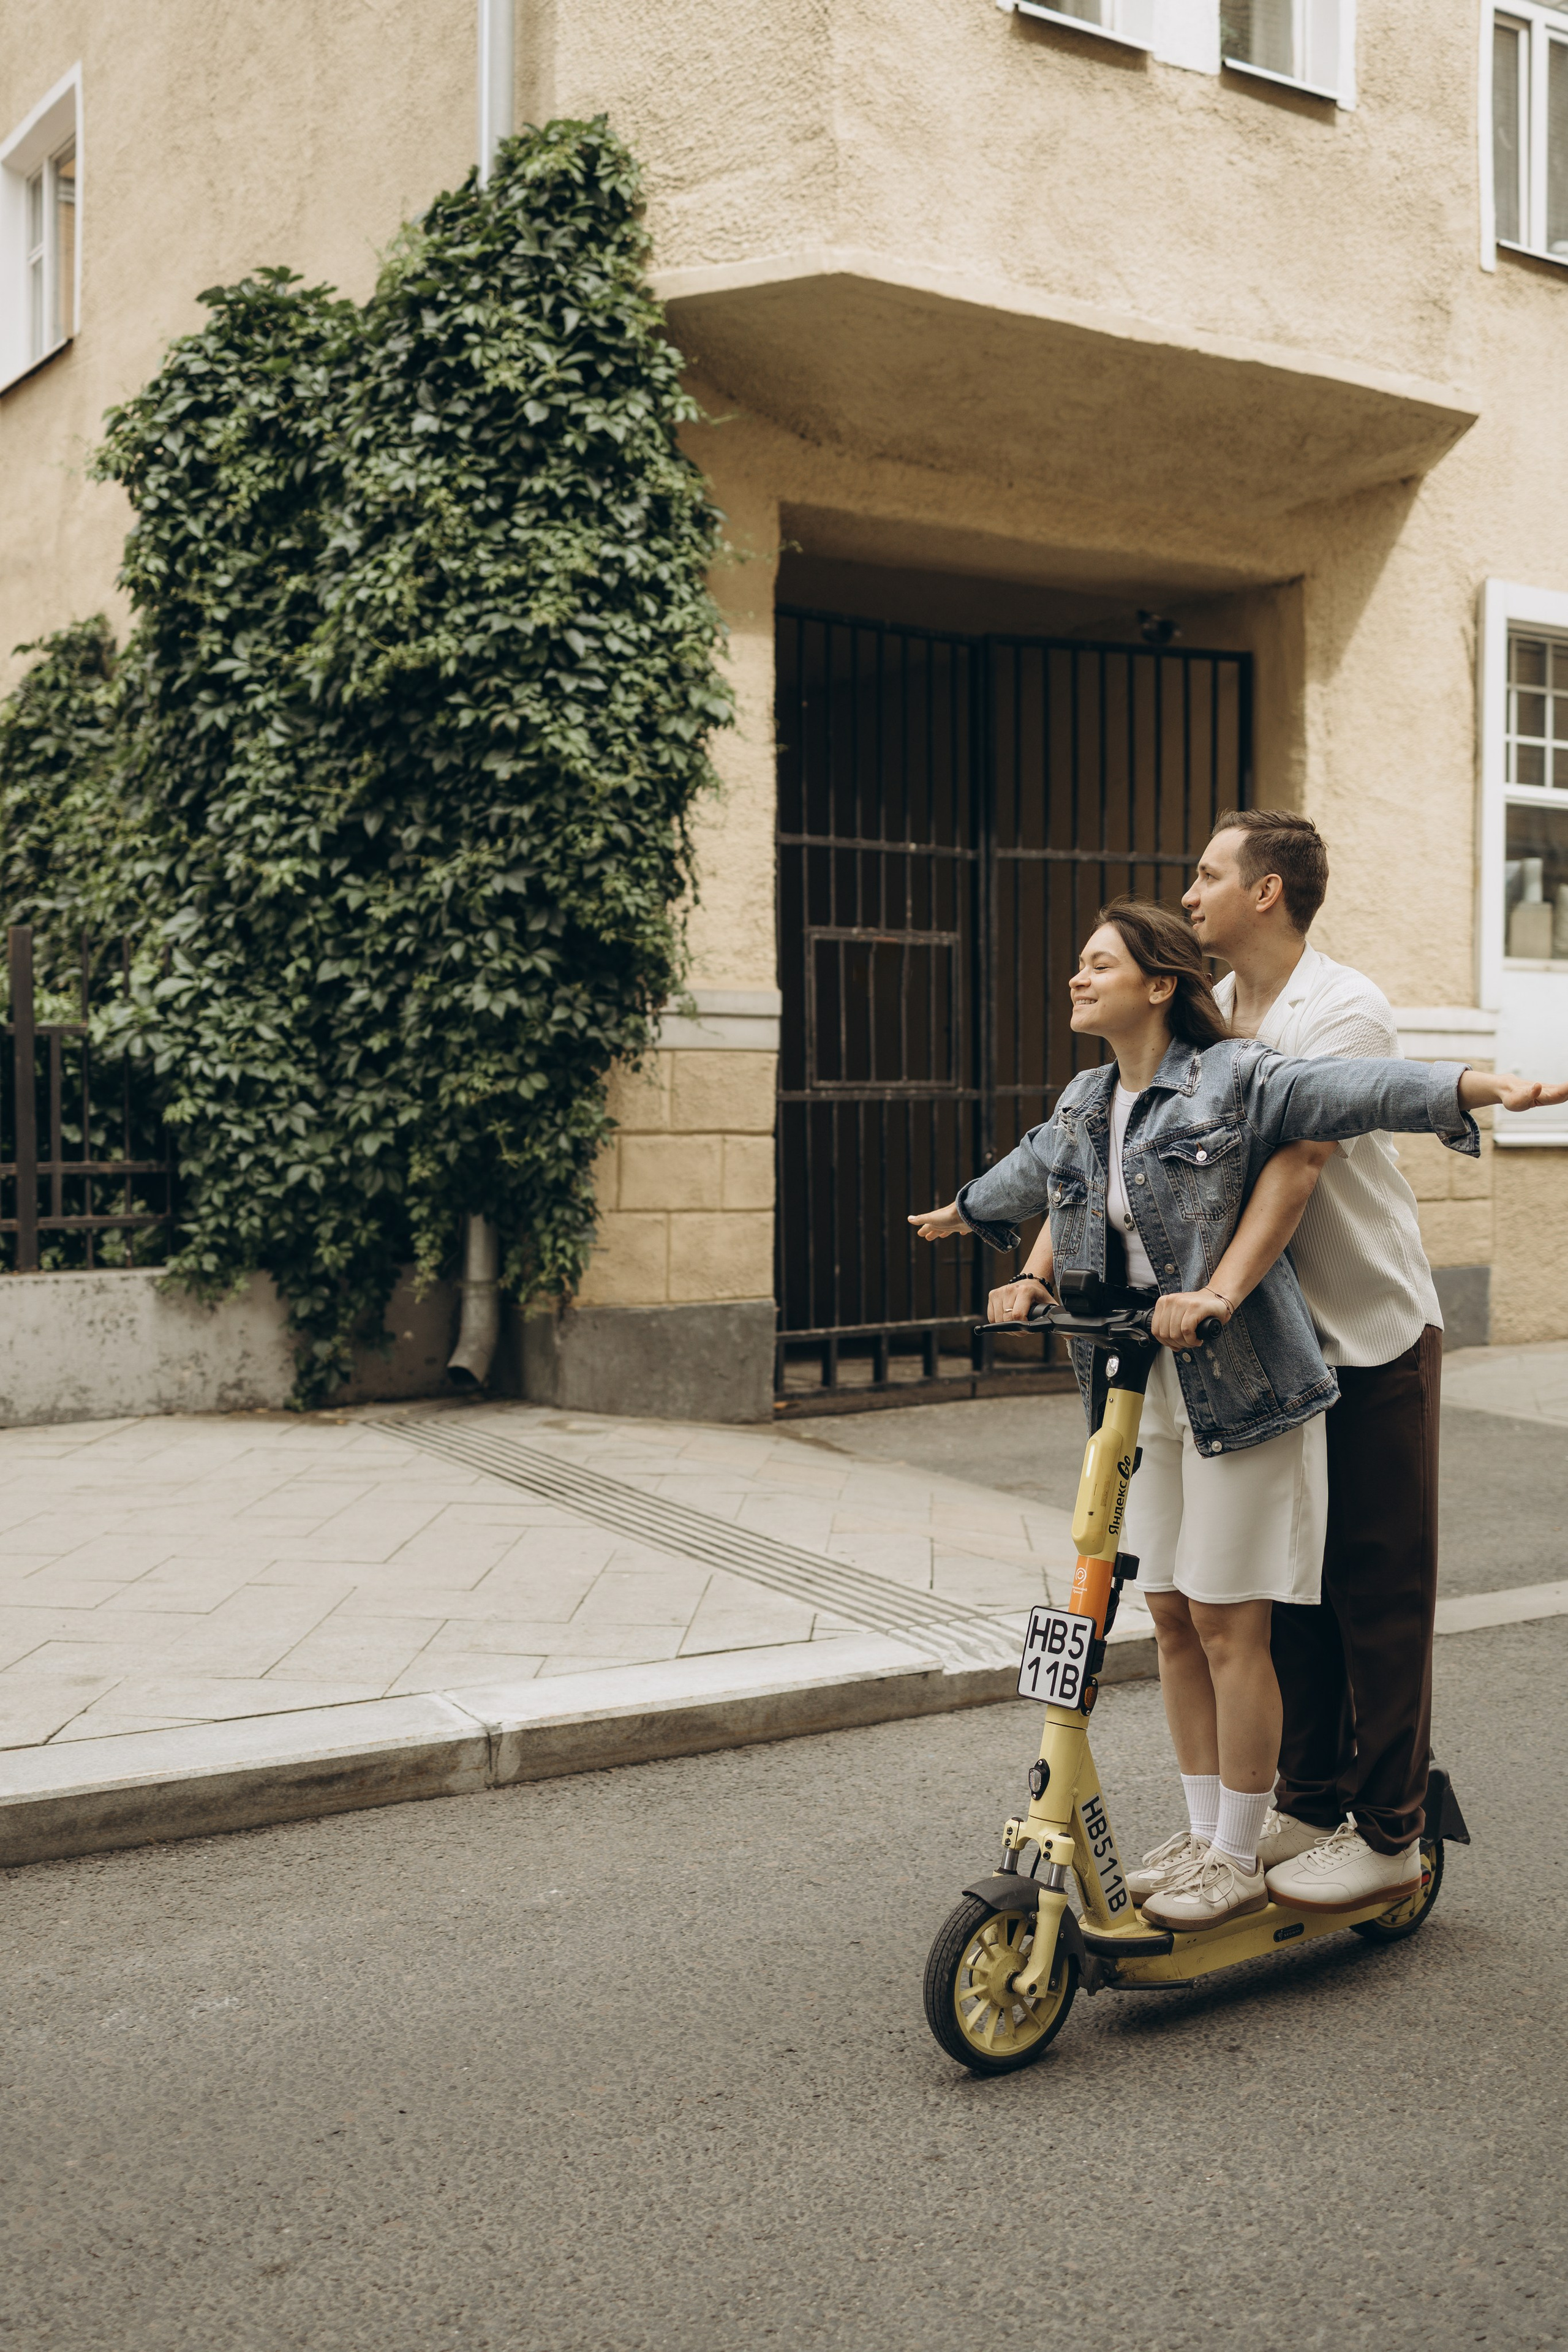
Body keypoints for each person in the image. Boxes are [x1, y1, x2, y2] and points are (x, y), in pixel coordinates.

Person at [908, 899, 1565, 1932]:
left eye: (1098, 964)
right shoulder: (1087, 1099)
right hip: (1143, 1387)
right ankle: (1207, 1830)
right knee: (1171, 1614)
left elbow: (1358, 1092)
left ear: (1157, 985)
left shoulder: (1239, 1077)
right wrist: (989, 1235)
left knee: (1228, 1621)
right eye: (1079, 963)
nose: (1077, 978)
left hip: (1245, 1382)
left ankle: (1240, 1851)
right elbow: (1043, 1173)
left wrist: (1482, 1087)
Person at [1180, 809, 1463, 1910]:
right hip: (1269, 1351)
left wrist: (1212, 1288)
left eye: (1209, 874)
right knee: (1286, 1587)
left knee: (1376, 1589)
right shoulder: (1208, 1011)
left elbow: (1295, 1156)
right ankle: (1308, 1799)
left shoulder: (1344, 1007)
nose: (1189, 893)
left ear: (1266, 892)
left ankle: (1391, 1829)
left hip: (1372, 1333)